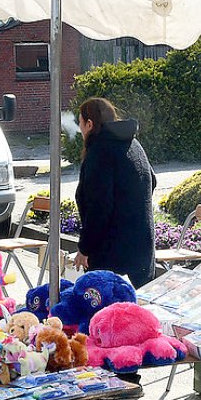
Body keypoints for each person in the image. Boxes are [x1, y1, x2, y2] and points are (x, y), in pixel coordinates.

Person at [72, 97, 157, 287]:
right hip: (141, 246)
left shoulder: (100, 152)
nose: (80, 130)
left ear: (90, 123)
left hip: (113, 255)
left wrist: (84, 249)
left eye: (80, 123)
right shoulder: (132, 143)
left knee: (111, 312)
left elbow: (99, 208)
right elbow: (152, 180)